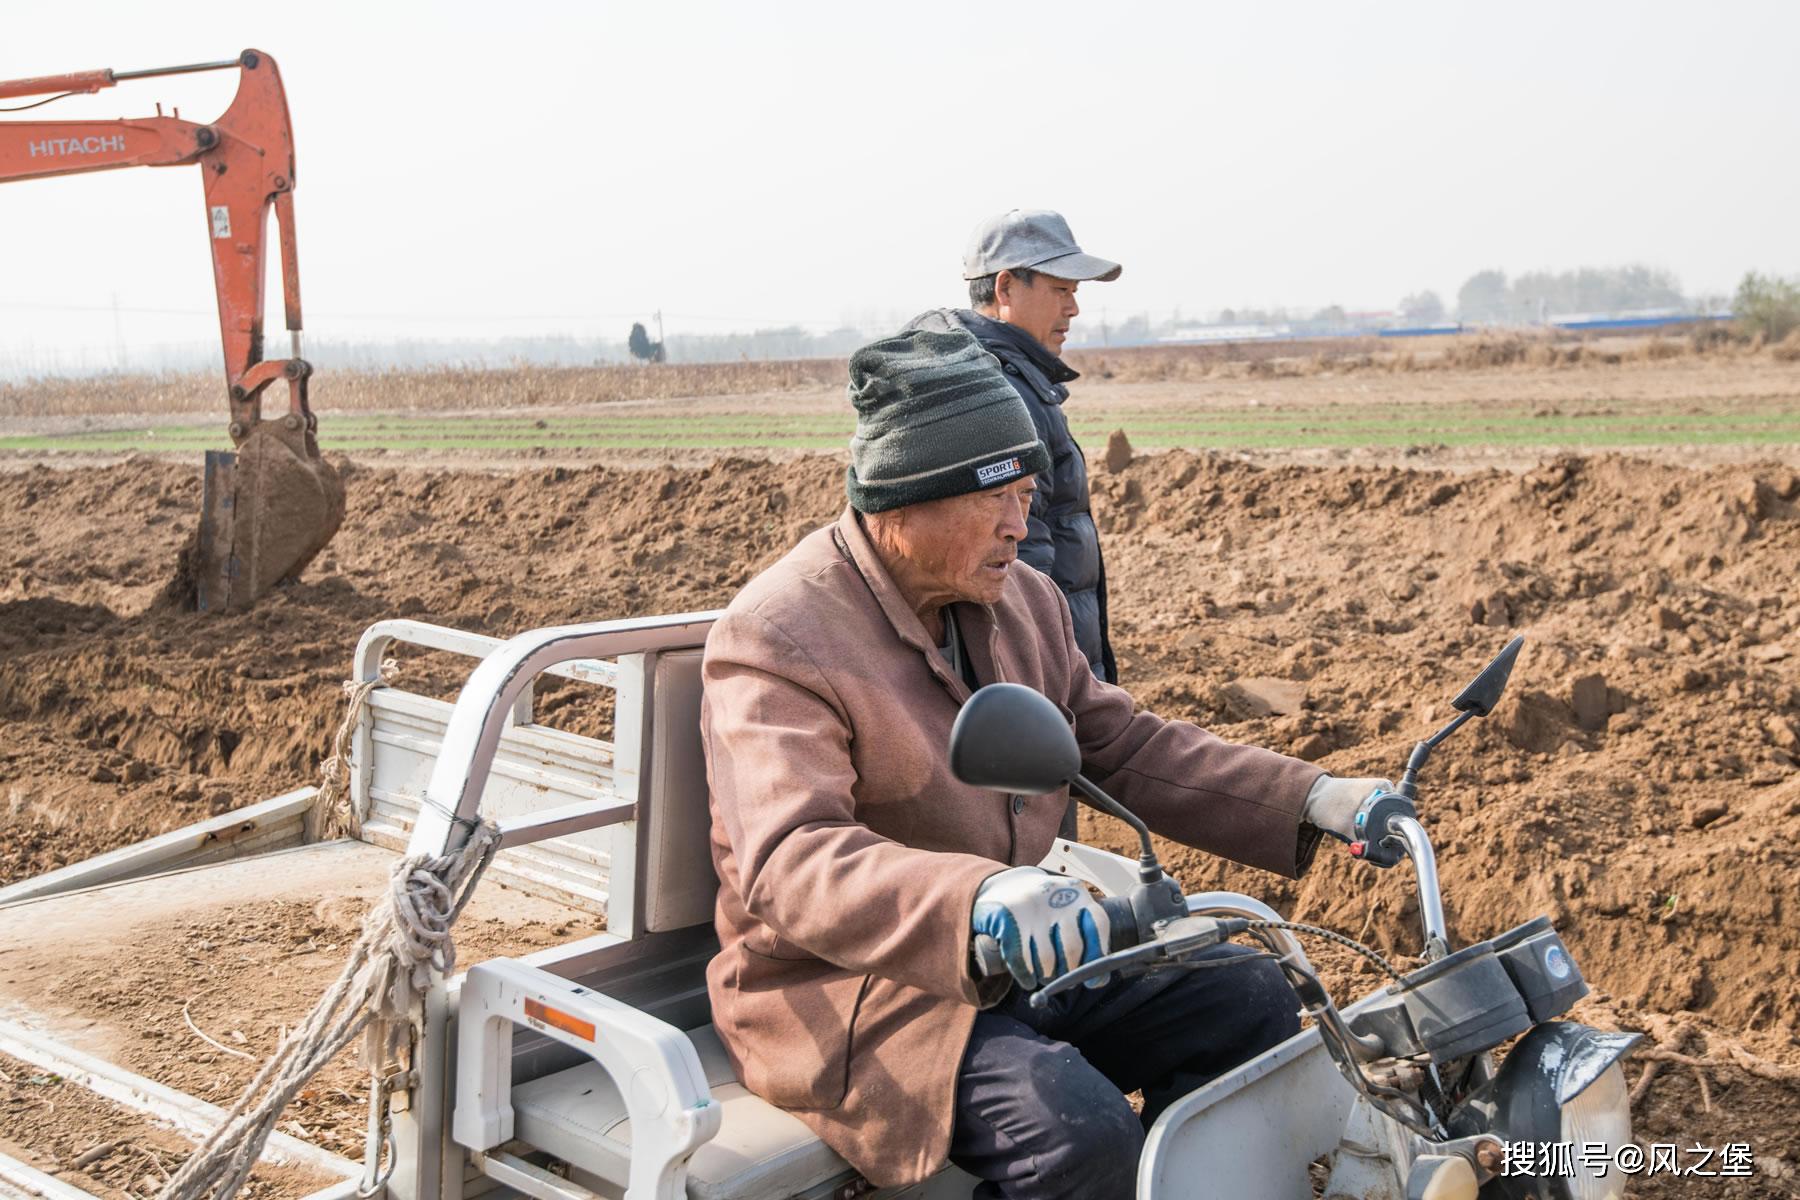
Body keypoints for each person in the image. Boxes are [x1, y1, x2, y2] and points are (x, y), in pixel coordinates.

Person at [701, 327, 1386, 1200]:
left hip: (1020, 952)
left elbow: (1122, 743)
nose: (1022, 527)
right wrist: (975, 897)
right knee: (1075, 1131)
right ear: (907, 501)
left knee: (1247, 998)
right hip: (852, 993)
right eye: (1000, 502)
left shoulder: (1022, 599)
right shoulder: (780, 635)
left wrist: (1313, 795)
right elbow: (790, 857)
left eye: (1029, 497)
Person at [908, 208, 1122, 693]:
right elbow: (1019, 555)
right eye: (1061, 290)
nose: (1074, 309)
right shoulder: (1001, 395)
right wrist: (1049, 686)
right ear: (1005, 289)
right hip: (1034, 678)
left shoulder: (1013, 382)